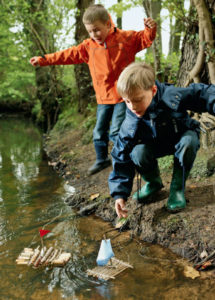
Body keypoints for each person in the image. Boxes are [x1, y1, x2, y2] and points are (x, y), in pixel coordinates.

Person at [29, 4, 157, 175]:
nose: (93, 34)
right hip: (103, 97)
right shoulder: (88, 47)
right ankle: (101, 160)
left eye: (96, 30)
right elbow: (66, 55)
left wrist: (150, 29)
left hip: (123, 95)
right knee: (98, 131)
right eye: (90, 31)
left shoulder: (125, 39)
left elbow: (144, 38)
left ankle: (125, 159)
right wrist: (43, 60)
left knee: (116, 130)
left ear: (108, 24)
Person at [108, 61, 215, 218]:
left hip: (180, 138)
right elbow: (120, 157)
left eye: (137, 100)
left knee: (189, 141)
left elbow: (203, 94)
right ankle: (153, 183)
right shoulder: (130, 122)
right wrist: (119, 195)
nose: (133, 106)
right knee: (137, 152)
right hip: (153, 147)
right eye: (127, 101)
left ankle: (177, 188)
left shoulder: (171, 96)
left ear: (153, 90)